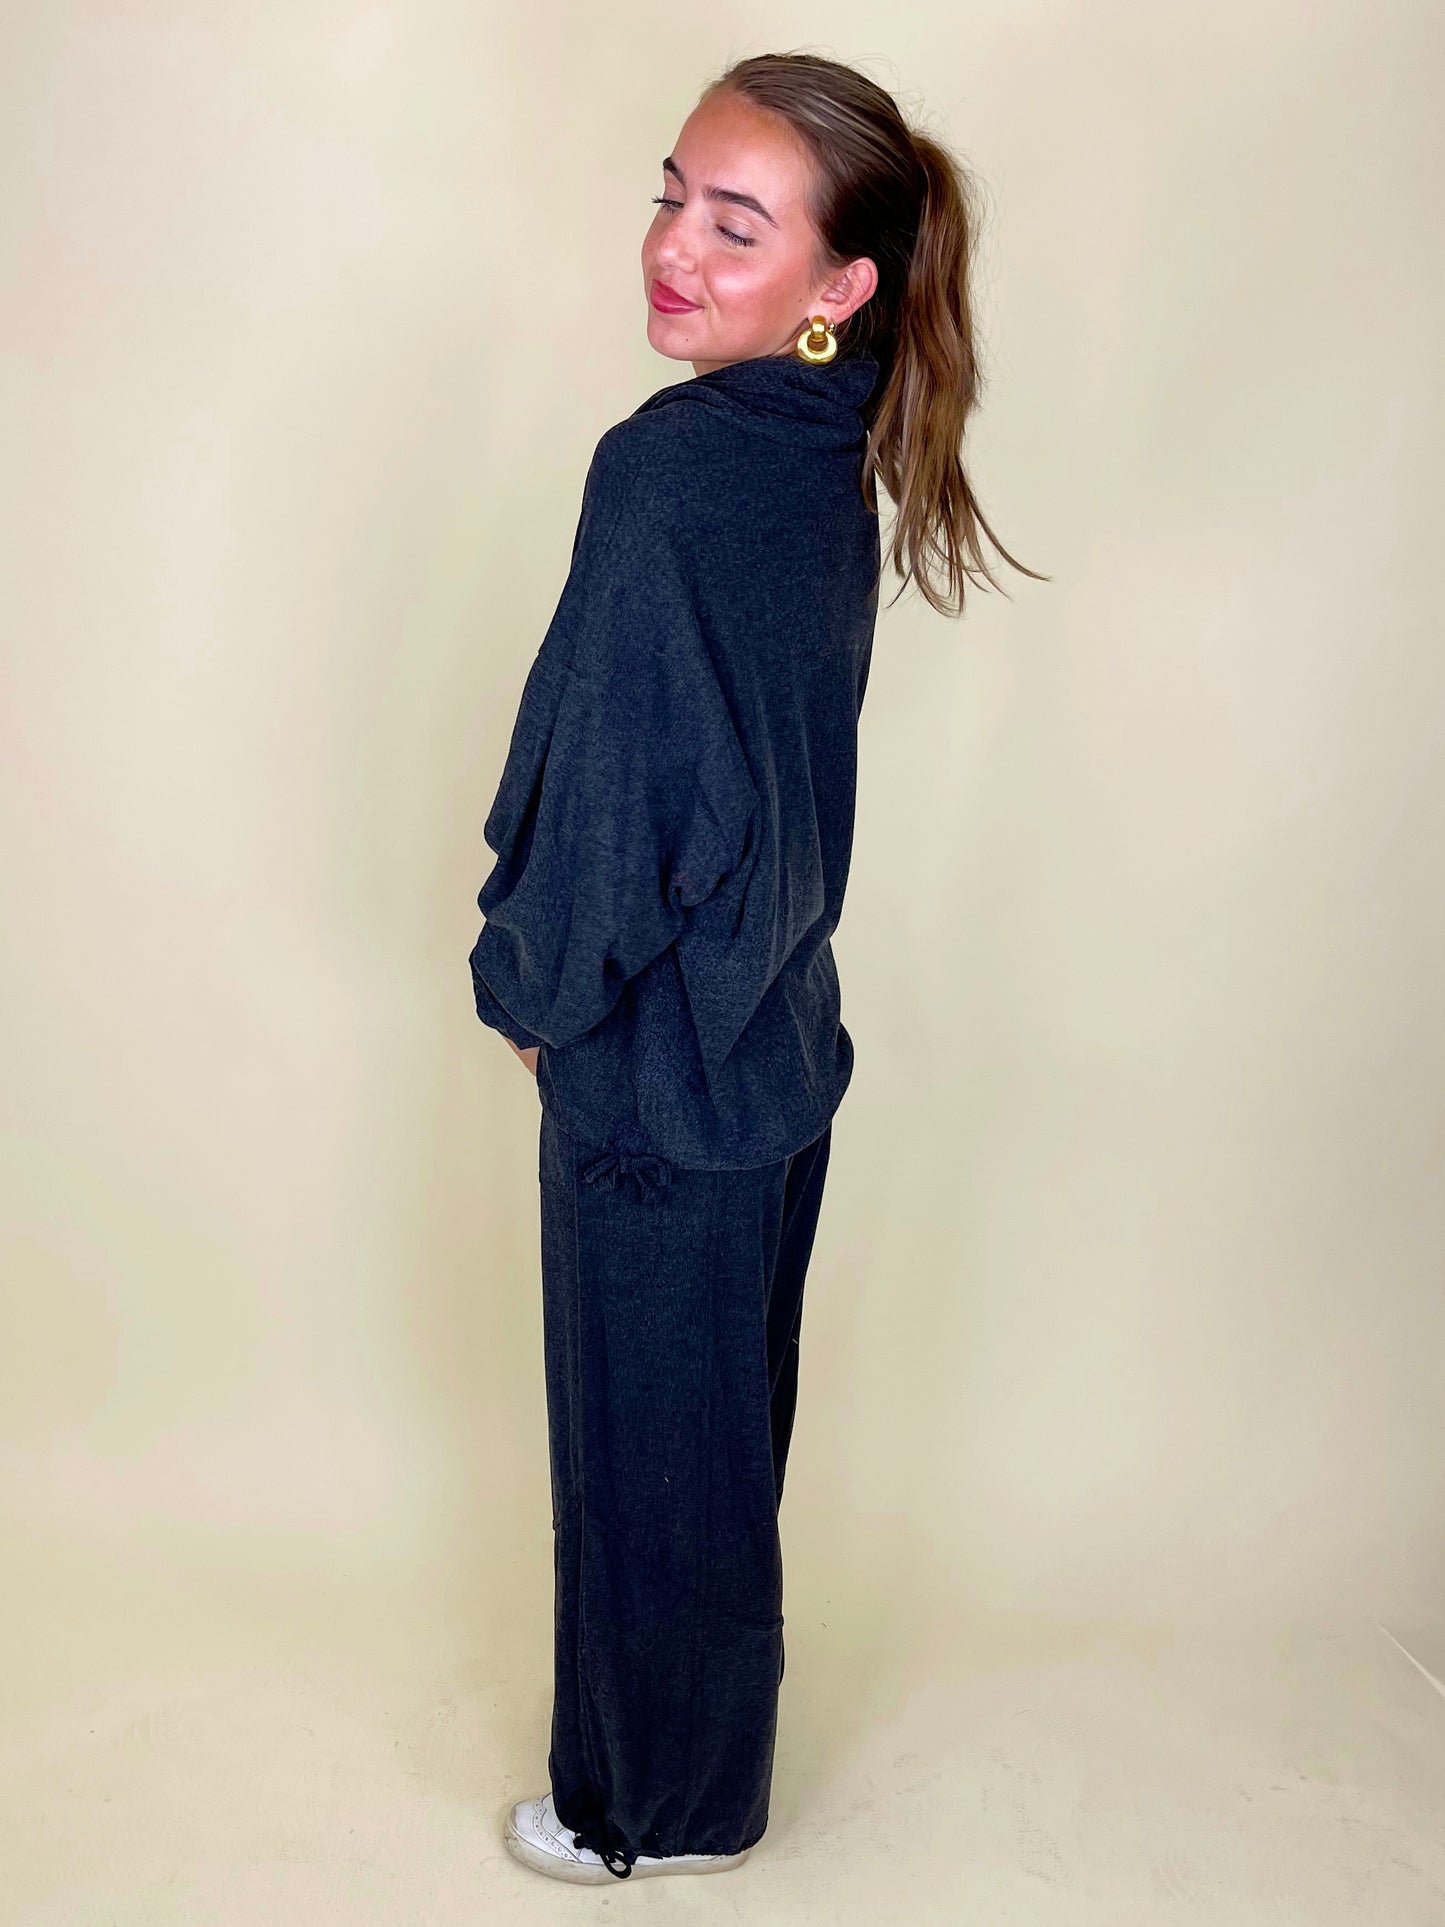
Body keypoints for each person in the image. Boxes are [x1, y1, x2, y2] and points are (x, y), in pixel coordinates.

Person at [469, 51, 1044, 1885]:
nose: (672, 248)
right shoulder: (824, 454)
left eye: (736, 223)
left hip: (659, 1066)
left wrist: (533, 995)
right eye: (670, 196)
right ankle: (702, 1785)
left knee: (644, 1464)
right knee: (712, 1454)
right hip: (777, 1048)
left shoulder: (667, 470)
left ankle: (643, 1813)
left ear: (837, 283)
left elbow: (623, 785)